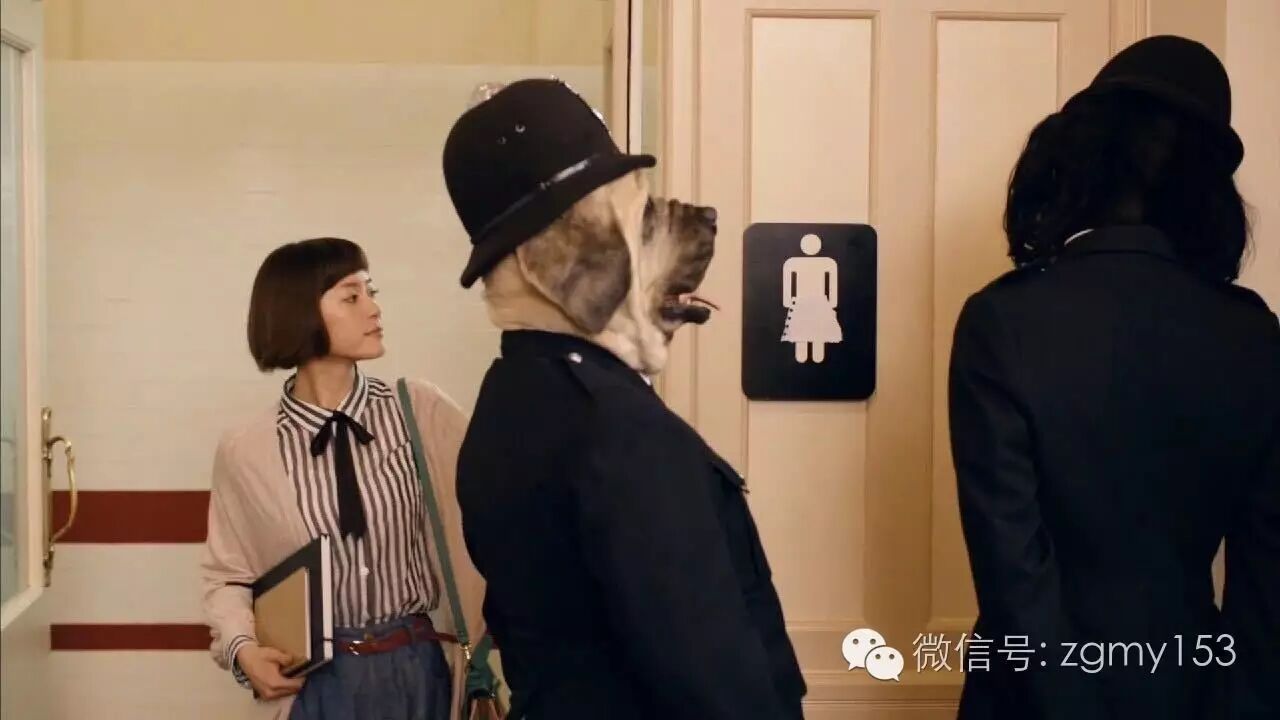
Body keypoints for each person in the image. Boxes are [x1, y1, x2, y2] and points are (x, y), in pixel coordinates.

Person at [442, 79, 806, 720]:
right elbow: (709, 677)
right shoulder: (617, 429)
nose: (657, 242)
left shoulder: (507, 405)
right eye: (636, 220)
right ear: (559, 257)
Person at [949, 36, 1279, 720]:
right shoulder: (1252, 335)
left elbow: (1012, 575)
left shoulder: (1002, 320)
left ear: (1082, 160)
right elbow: (1266, 583)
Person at [200, 237, 484, 720]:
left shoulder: (418, 411)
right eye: (352, 297)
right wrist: (242, 648)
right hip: (315, 685)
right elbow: (227, 574)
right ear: (300, 312)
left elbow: (494, 511)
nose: (373, 308)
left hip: (418, 671)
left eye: (371, 292)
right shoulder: (246, 449)